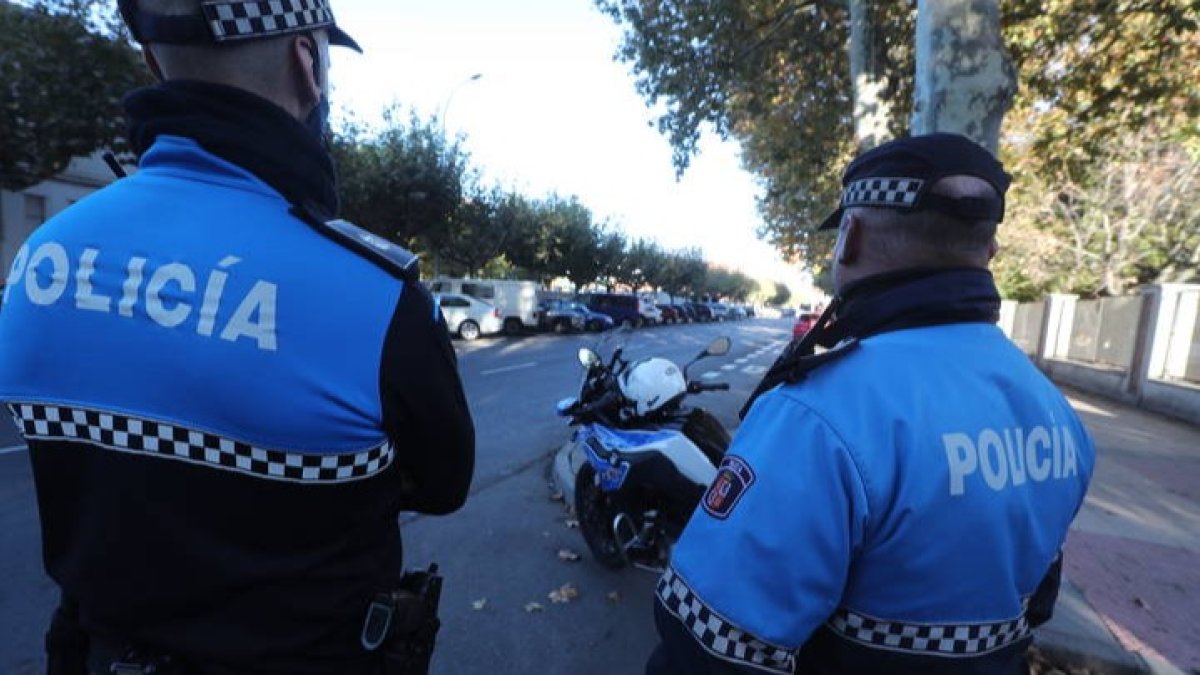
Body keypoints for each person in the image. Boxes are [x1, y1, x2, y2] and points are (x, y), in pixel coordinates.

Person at [0, 0, 474, 673]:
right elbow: (444, 484)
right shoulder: (378, 295)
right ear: (308, 64)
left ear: (152, 59)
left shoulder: (39, 261)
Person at [647, 133, 1095, 675]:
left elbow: (712, 646)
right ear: (989, 252)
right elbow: (1037, 601)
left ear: (850, 237)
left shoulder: (817, 416)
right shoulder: (1055, 412)